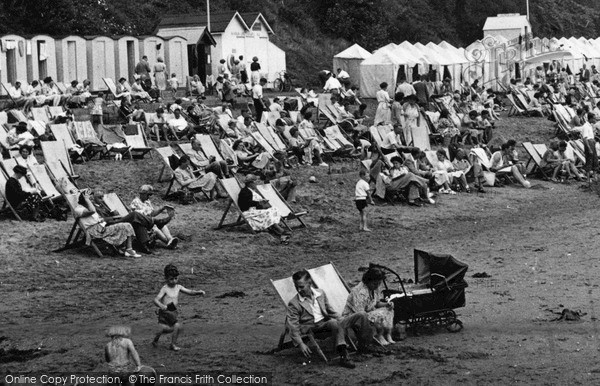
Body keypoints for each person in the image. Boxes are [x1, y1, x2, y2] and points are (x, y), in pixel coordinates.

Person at [287, 270, 372, 369]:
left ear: (309, 283)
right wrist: (300, 343)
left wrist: (343, 319)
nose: (299, 290)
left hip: (329, 323)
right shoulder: (294, 303)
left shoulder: (320, 293)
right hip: (315, 328)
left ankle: (364, 346)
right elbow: (293, 326)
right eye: (296, 286)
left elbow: (330, 311)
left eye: (301, 286)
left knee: (362, 315)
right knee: (333, 322)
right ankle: (344, 356)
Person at [153, 263, 205, 351]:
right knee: (176, 326)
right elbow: (155, 300)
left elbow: (189, 292)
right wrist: (161, 305)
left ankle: (156, 339)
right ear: (166, 279)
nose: (174, 281)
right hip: (165, 311)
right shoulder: (165, 288)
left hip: (173, 311)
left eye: (175, 278)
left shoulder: (178, 287)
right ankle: (172, 344)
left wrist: (198, 292)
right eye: (171, 279)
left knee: (165, 327)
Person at [73, 190, 140, 257]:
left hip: (100, 227)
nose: (92, 200)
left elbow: (94, 217)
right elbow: (92, 211)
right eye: (90, 198)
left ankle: (126, 249)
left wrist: (101, 220)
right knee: (126, 225)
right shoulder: (78, 209)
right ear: (85, 199)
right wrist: (87, 199)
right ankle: (128, 250)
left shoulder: (87, 207)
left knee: (126, 224)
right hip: (95, 231)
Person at [343, 267, 395, 346]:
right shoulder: (359, 292)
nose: (377, 286)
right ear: (368, 281)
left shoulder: (373, 288)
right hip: (354, 317)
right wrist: (376, 312)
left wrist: (386, 304)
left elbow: (376, 303)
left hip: (368, 312)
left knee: (389, 310)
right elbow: (360, 313)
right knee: (379, 314)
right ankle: (379, 335)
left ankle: (388, 334)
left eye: (379, 283)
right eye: (375, 284)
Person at [238, 174, 290, 243]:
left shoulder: (251, 190)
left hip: (255, 210)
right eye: (255, 182)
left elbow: (254, 202)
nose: (256, 183)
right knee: (268, 212)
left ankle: (274, 227)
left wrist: (261, 202)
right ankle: (278, 229)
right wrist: (258, 202)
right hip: (249, 212)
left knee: (274, 209)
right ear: (250, 183)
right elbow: (244, 204)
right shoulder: (244, 191)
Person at [130, 185, 178, 250]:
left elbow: (152, 213)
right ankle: (168, 242)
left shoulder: (147, 202)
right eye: (148, 195)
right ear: (142, 194)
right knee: (155, 228)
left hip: (149, 220)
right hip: (141, 223)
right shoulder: (135, 202)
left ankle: (170, 239)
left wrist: (162, 209)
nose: (149, 197)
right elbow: (136, 216)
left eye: (150, 195)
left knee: (162, 225)